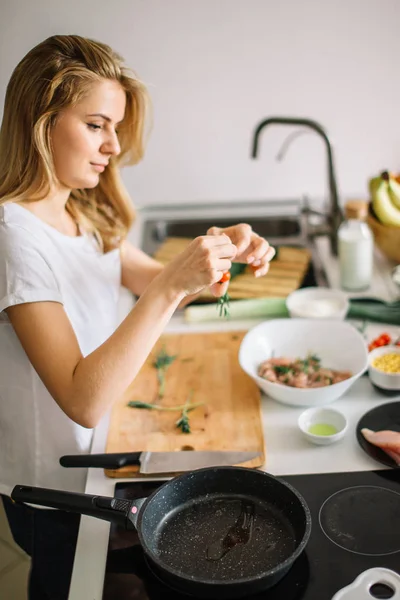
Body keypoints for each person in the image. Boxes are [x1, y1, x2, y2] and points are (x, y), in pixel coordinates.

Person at [0, 34, 275, 599]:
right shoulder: (13, 236)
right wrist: (174, 283)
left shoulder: (81, 207)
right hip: (54, 485)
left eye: (115, 128)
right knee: (62, 585)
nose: (112, 146)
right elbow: (81, 397)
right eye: (96, 124)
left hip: (106, 459)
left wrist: (221, 255)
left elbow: (151, 280)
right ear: (40, 120)